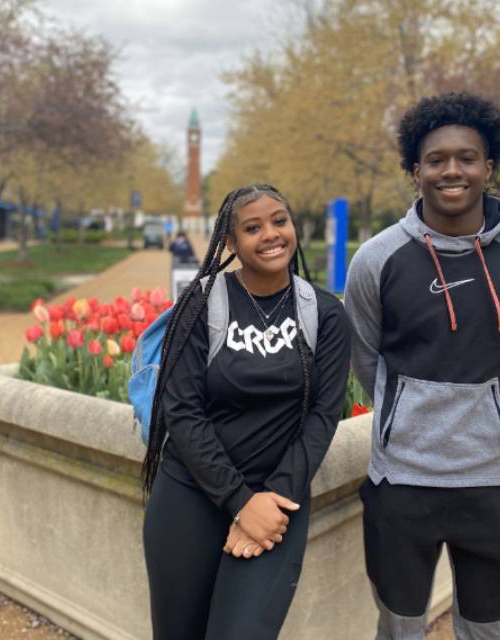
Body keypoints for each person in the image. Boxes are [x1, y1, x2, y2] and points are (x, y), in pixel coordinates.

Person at [345, 92, 500, 639]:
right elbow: (364, 352)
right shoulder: (377, 259)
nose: (452, 170)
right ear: (415, 170)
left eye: (466, 158)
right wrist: (405, 412)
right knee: (399, 627)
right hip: (401, 480)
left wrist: (492, 413)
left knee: (487, 630)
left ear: (489, 169)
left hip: (496, 480)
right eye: (436, 159)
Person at [142, 184, 352, 640]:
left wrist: (267, 501)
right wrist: (239, 502)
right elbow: (183, 412)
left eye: (280, 221)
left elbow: (323, 416)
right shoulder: (200, 304)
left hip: (276, 502)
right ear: (232, 243)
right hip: (188, 497)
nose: (271, 234)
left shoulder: (326, 315)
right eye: (253, 227)